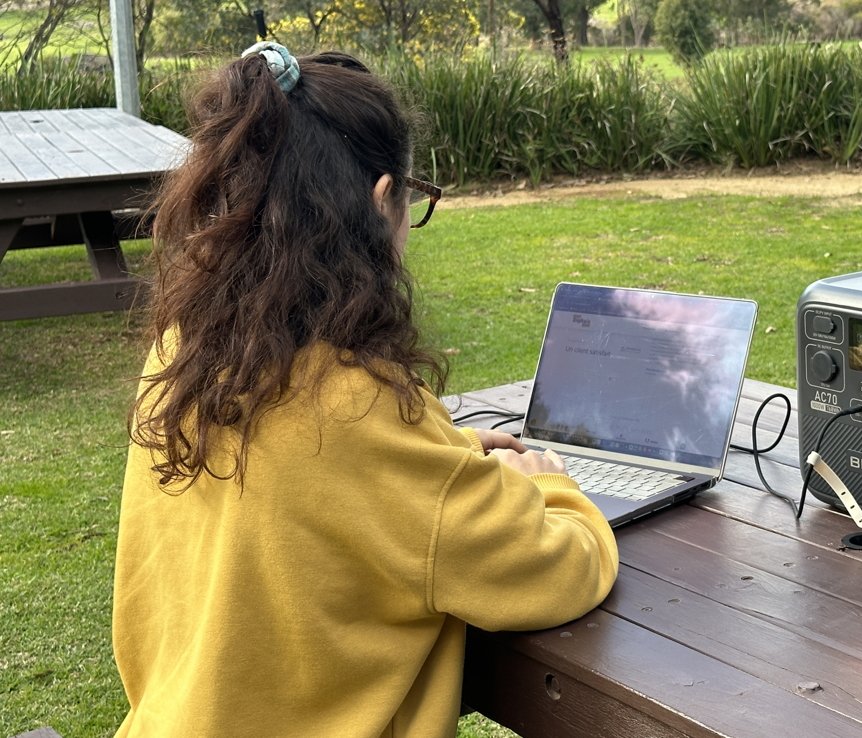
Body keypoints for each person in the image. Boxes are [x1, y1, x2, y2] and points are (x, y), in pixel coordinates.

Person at [112, 43, 618, 737]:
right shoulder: (356, 408)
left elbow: (305, 489)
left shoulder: (185, 351)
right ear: (384, 202)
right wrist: (551, 485)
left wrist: (447, 454)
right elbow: (555, 572)